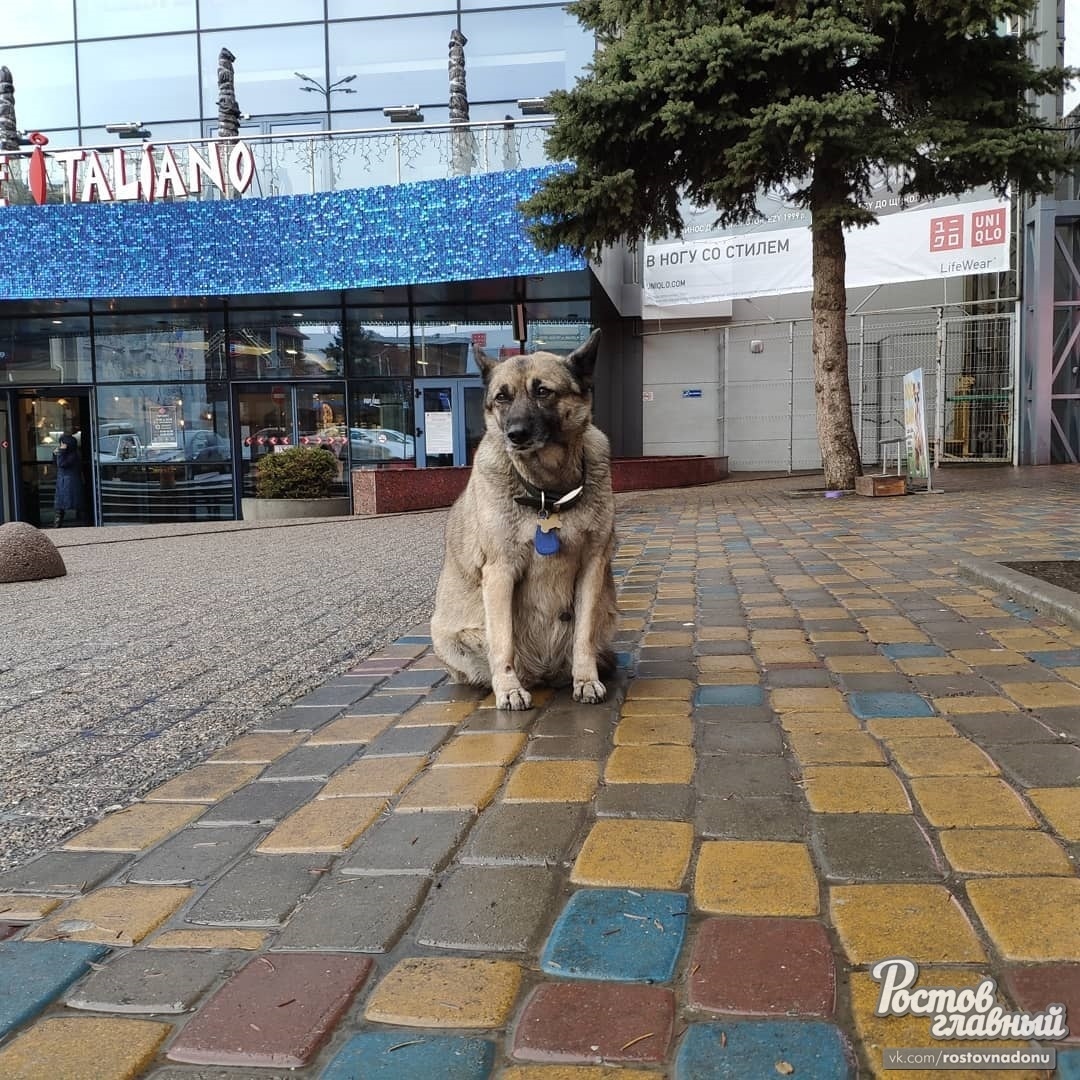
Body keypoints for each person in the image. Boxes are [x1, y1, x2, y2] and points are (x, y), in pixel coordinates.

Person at [53, 434, 84, 528]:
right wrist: (55, 454)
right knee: (60, 505)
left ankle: (84, 522)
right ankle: (57, 524)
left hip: (70, 481)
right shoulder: (67, 453)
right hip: (63, 481)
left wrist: (61, 451)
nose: (61, 445)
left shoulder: (73, 454)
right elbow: (56, 463)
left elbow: (62, 464)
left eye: (62, 443)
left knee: (73, 502)